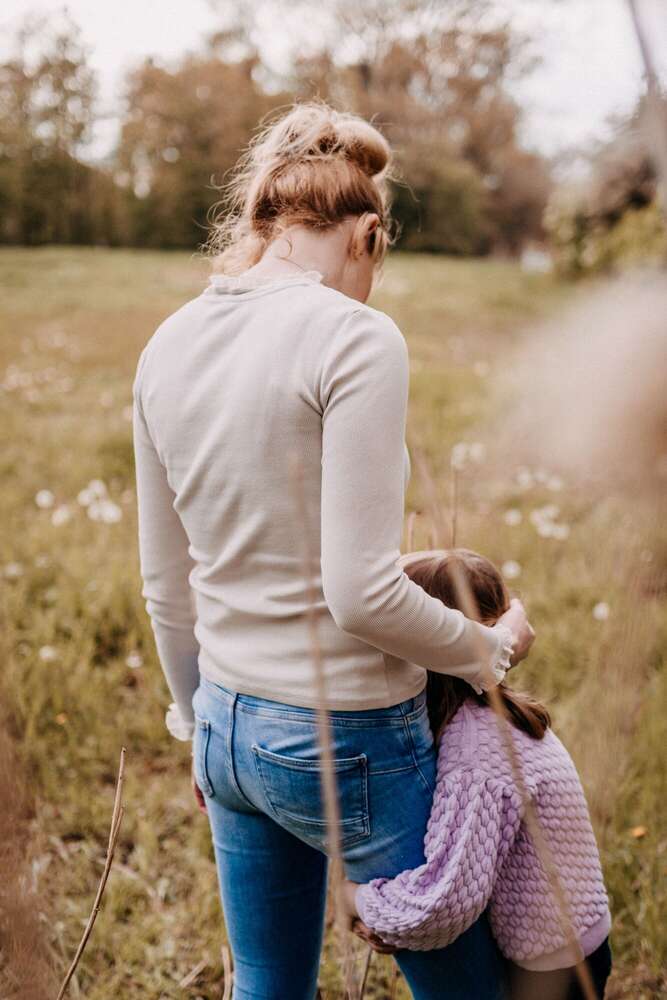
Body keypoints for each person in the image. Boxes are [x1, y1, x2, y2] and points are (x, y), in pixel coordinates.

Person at [131, 101, 535, 1000]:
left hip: (226, 726)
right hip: (344, 733)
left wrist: (197, 721)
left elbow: (166, 586)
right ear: (366, 232)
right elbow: (357, 595)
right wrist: (491, 651)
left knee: (268, 984)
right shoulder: (355, 336)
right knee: (466, 989)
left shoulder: (167, 344)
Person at [343, 549, 612, 1000]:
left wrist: (352, 900)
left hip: (551, 973)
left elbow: (443, 903)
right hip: (574, 946)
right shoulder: (494, 717)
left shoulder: (477, 754)